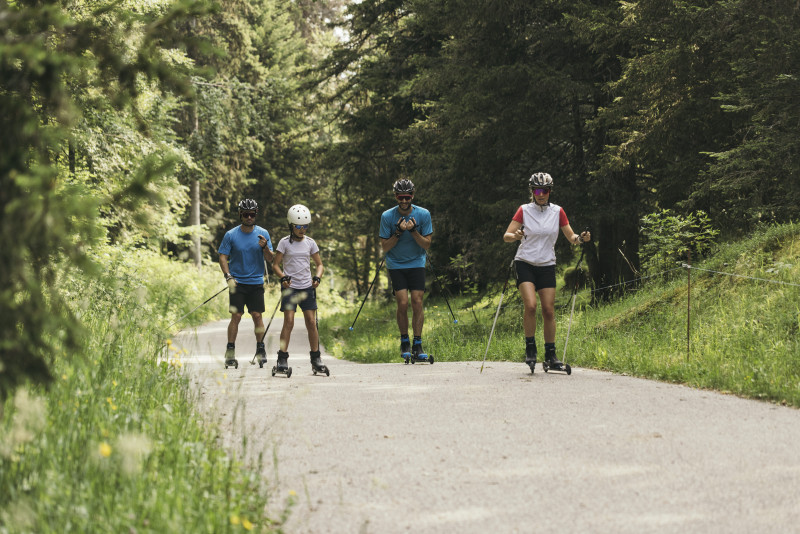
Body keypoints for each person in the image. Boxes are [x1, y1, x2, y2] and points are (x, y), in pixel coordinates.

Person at [502, 172, 591, 371]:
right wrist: (515, 235)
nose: (541, 194)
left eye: (545, 190)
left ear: (550, 191)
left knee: (549, 310)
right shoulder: (524, 210)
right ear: (532, 191)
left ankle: (551, 354)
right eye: (537, 190)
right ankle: (530, 348)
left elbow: (572, 237)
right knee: (531, 306)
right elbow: (506, 236)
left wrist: (581, 238)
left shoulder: (558, 211)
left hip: (547, 264)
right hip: (525, 262)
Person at [379, 179, 433, 361]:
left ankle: (418, 343)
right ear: (395, 196)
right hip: (396, 264)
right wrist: (398, 232)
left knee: (417, 301)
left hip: (417, 262)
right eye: (400, 197)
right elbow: (385, 247)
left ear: (412, 196)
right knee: (402, 302)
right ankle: (405, 342)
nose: (403, 201)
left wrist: (414, 231)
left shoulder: (424, 214)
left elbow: (426, 244)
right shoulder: (387, 216)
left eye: (407, 197)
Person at [218, 198, 274, 369]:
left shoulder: (263, 233)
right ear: (240, 215)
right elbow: (222, 257)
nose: (249, 217)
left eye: (252, 214)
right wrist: (228, 276)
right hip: (237, 282)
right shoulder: (231, 235)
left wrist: (265, 247)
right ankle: (230, 353)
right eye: (246, 214)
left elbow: (271, 259)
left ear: (256, 215)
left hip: (256, 282)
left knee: (257, 316)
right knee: (236, 316)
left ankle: (261, 350)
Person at [271, 204, 326, 375]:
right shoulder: (284, 243)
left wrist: (317, 277)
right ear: (291, 225)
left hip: (306, 288)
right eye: (299, 226)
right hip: (290, 288)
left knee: (311, 322)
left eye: (305, 226)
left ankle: (316, 359)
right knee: (289, 322)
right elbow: (275, 265)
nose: (302, 230)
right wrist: (282, 277)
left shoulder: (310, 243)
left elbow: (319, 264)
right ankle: (282, 359)